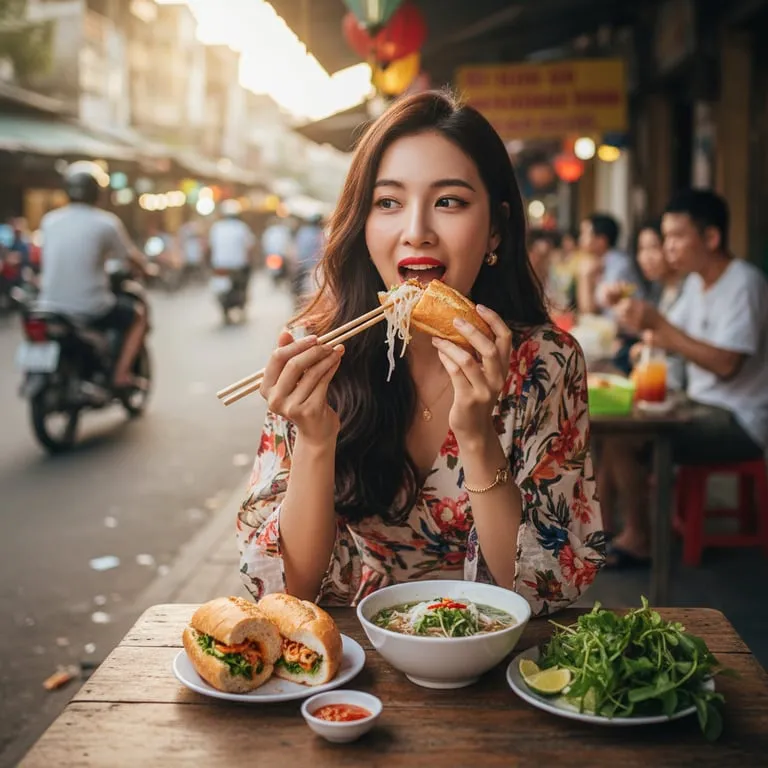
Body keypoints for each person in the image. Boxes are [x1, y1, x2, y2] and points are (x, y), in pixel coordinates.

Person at [237, 90, 604, 614]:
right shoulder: (315, 357)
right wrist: (315, 441)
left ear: (496, 227)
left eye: (449, 201)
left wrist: (477, 436)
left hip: (495, 654)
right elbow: (286, 592)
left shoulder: (546, 362)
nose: (416, 231)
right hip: (353, 662)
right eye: (388, 202)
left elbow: (543, 591)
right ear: (363, 224)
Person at [603, 189, 768, 567]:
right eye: (666, 237)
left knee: (625, 437)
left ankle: (640, 537)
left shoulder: (744, 283)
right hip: (698, 403)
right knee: (615, 429)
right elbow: (667, 339)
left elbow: (727, 364)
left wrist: (659, 325)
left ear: (711, 238)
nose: (668, 247)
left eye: (677, 237)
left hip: (739, 419)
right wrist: (636, 319)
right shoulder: (696, 283)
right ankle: (617, 529)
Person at [36, 161, 151, 388]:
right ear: (98, 192)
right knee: (137, 315)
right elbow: (130, 257)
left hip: (48, 305)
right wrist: (147, 269)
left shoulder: (49, 220)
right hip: (89, 307)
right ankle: (121, 374)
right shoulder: (106, 223)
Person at [576, 213, 645, 316]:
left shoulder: (619, 265)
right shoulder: (598, 261)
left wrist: (585, 276)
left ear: (601, 240)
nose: (580, 239)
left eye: (585, 234)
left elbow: (589, 310)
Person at [208, 199, 257, 300]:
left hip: (219, 265)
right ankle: (243, 297)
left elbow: (211, 247)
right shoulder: (241, 227)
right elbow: (250, 246)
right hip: (238, 265)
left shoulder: (216, 227)